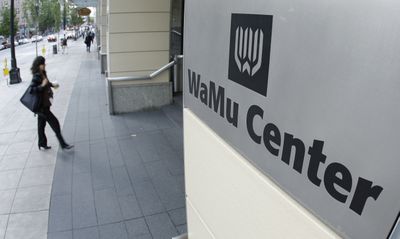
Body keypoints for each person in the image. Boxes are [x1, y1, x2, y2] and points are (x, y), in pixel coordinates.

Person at [30, 56, 73, 150]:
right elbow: (32, 90)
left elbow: (47, 82)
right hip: (42, 107)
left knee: (41, 125)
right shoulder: (37, 76)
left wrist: (52, 85)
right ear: (39, 65)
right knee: (55, 123)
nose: (45, 65)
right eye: (43, 63)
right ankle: (63, 144)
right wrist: (42, 86)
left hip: (44, 105)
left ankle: (42, 143)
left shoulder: (42, 73)